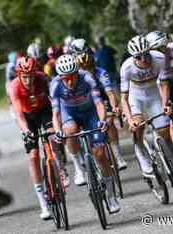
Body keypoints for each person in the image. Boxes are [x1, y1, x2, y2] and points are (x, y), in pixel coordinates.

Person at [50, 54, 120, 213]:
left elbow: (99, 103)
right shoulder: (55, 85)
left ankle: (111, 195)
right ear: (60, 77)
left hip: (90, 113)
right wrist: (58, 131)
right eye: (65, 78)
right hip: (69, 114)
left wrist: (102, 120)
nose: (70, 81)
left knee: (100, 153)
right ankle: (78, 166)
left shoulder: (87, 77)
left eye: (73, 76)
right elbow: (56, 114)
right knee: (70, 131)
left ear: (77, 73)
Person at [120, 35, 173, 177]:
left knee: (164, 131)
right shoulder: (126, 67)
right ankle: (140, 151)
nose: (143, 59)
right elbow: (124, 99)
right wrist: (130, 119)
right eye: (138, 57)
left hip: (154, 95)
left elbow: (164, 84)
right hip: (135, 97)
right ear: (133, 57)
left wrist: (165, 104)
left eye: (146, 54)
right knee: (138, 126)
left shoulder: (158, 58)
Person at [10, 56, 69, 220]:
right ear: (19, 75)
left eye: (30, 76)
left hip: (44, 111)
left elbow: (55, 100)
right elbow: (18, 114)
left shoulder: (43, 78)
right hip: (27, 118)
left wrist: (58, 124)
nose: (28, 80)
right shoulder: (14, 86)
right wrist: (26, 132)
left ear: (35, 73)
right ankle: (43, 202)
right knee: (33, 156)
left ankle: (60, 168)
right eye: (24, 76)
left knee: (53, 137)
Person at [75, 46, 127, 170]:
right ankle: (87, 155)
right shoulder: (76, 77)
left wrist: (114, 107)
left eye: (89, 67)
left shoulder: (101, 73)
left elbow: (109, 93)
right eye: (84, 68)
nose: (87, 71)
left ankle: (117, 154)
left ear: (94, 65)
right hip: (85, 101)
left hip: (101, 98)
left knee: (109, 121)